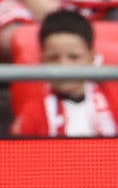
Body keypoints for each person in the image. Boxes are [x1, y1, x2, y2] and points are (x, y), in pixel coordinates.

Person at [11, 8, 118, 136]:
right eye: (53, 58)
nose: (63, 66)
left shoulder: (113, 100)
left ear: (91, 58)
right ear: (42, 60)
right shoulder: (33, 111)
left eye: (74, 57)